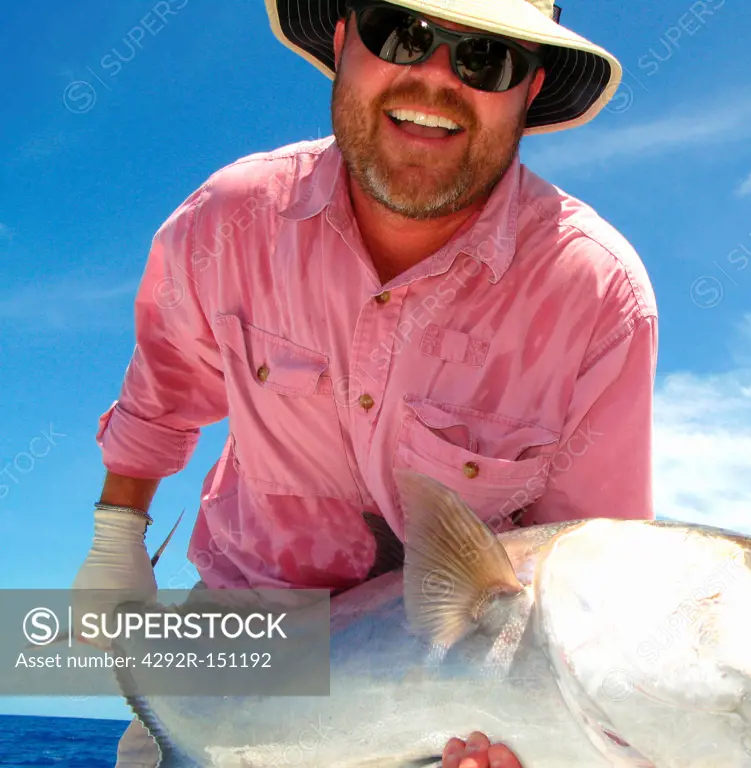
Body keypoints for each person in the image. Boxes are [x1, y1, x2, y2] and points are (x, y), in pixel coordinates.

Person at [71, 0, 658, 765]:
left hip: (436, 704)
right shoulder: (230, 221)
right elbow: (164, 392)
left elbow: (584, 574)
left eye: (486, 58)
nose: (435, 77)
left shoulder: (598, 297)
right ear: (345, 39)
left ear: (530, 87)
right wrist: (116, 535)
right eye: (402, 33)